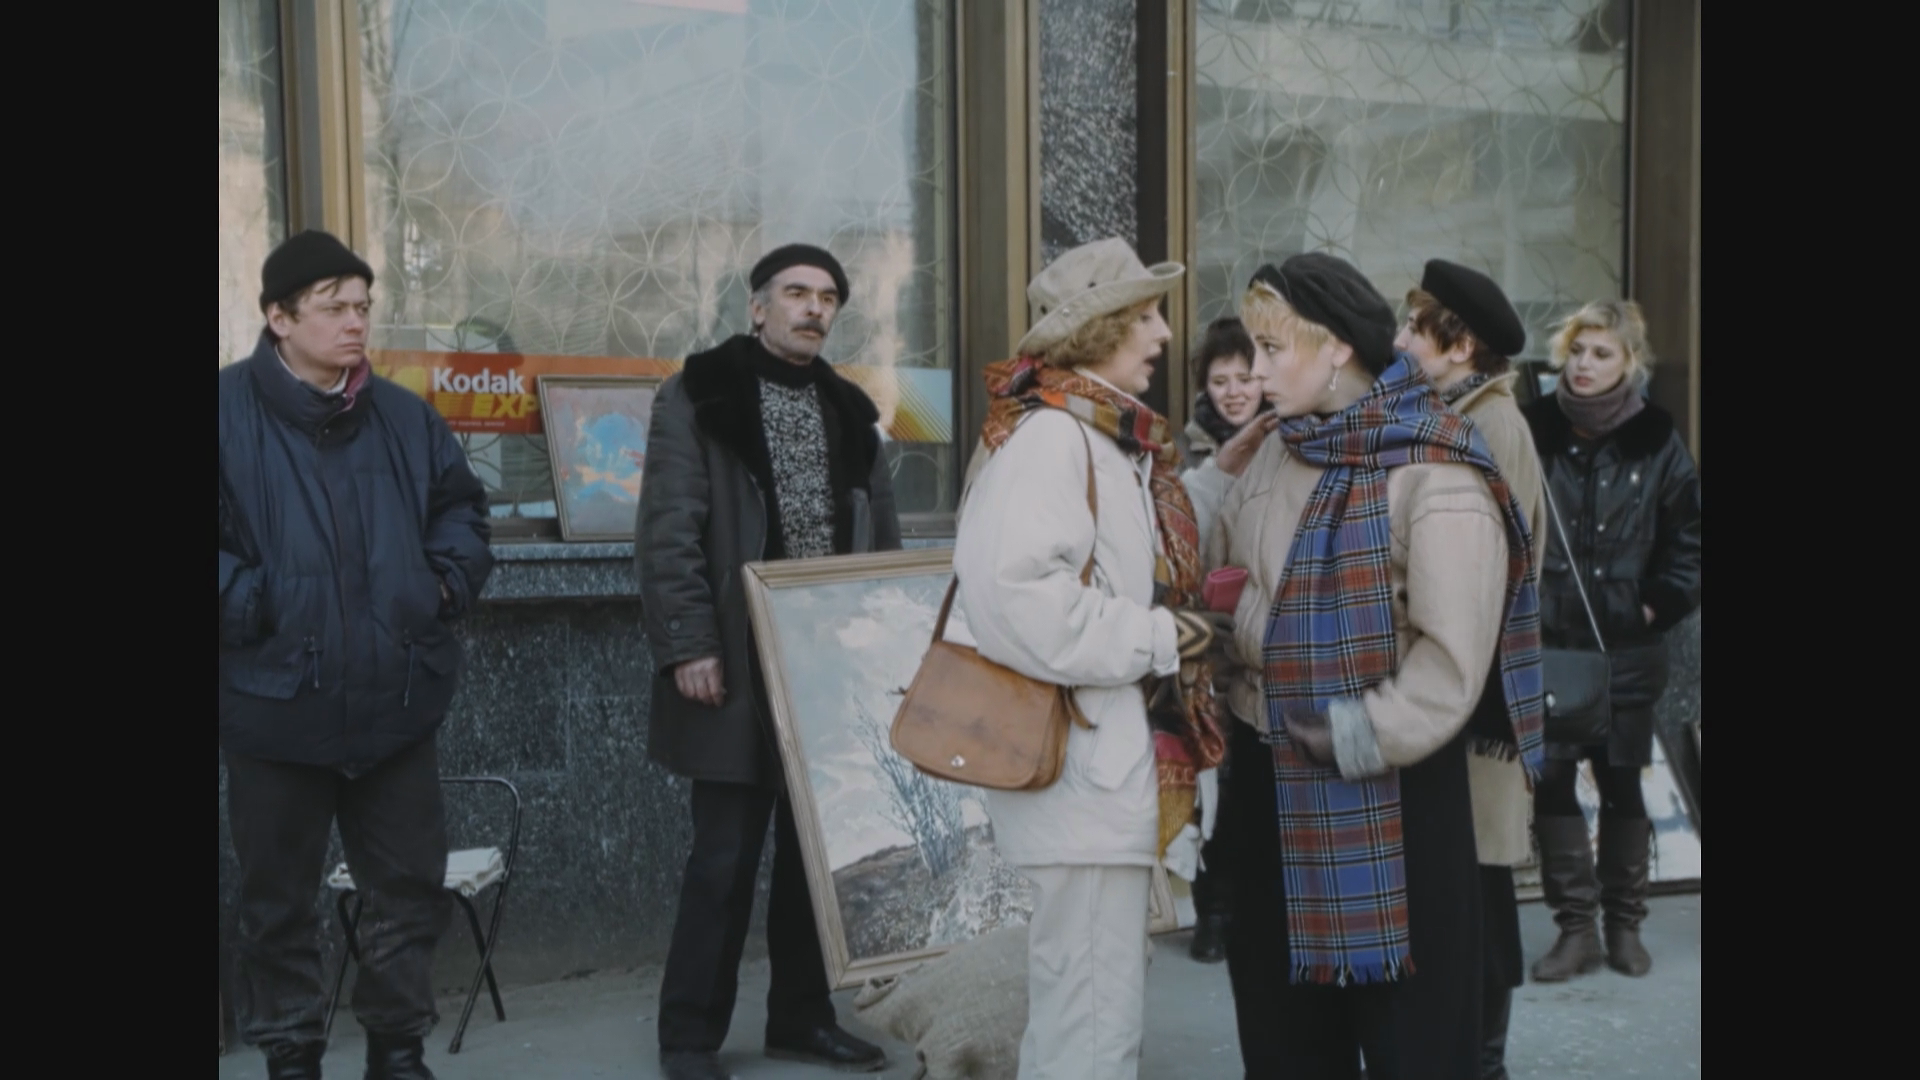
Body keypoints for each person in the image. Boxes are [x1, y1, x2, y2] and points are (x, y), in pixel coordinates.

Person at [1210, 253, 1544, 1080]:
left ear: (1335, 347)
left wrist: (1355, 734)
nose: (1254, 373)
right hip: (1269, 784)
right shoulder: (1277, 450)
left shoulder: (1437, 466)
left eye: (1271, 349)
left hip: (1395, 801)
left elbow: (1451, 665)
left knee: (1413, 1049)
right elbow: (1228, 585)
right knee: (1284, 1045)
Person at [219, 230, 494, 1080]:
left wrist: (439, 586)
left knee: (408, 893)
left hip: (394, 700)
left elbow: (462, 512)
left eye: (363, 307)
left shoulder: (406, 417)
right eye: (333, 307)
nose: (355, 322)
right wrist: (253, 602)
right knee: (277, 906)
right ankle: (292, 1056)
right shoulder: (222, 412)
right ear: (278, 317)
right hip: (274, 703)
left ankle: (397, 1053)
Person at [952, 237, 1223, 1080]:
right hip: (1082, 771)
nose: (1164, 334)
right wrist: (1162, 638)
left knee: (1084, 1011)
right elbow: (1019, 603)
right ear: (1097, 331)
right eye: (1146, 315)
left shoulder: (1100, 434)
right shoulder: (1055, 439)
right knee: (1092, 1023)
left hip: (1096, 769)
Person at [638, 244, 899, 1080]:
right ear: (757, 307)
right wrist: (690, 645)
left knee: (817, 859)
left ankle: (801, 1017)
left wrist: (881, 649)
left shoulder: (851, 410)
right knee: (723, 858)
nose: (813, 308)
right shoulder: (700, 394)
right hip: (736, 658)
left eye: (827, 297)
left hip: (828, 664)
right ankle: (688, 1037)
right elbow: (669, 530)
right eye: (795, 293)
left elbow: (883, 542)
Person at [1394, 260, 1543, 1080]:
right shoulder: (1454, 412)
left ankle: (1484, 1062)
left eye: (1415, 328)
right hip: (1462, 687)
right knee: (1464, 885)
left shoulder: (1492, 423)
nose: (1399, 340)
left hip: (1478, 694)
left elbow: (1491, 572)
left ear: (1460, 345)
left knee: (1480, 886)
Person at [1523, 300, 1700, 982]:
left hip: (1627, 645)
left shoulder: (1657, 440)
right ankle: (1576, 930)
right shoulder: (1534, 430)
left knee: (1622, 780)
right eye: (1577, 350)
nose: (1585, 364)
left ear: (1630, 362)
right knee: (1552, 781)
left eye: (1602, 353)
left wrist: (1652, 605)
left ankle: (1625, 925)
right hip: (1551, 642)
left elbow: (1690, 540)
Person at [1175, 316, 1276, 963]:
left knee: (1260, 779)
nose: (1235, 392)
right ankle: (1212, 914)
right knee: (1213, 777)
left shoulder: (1286, 440)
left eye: (1245, 378)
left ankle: (1256, 910)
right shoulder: (1183, 452)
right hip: (1205, 633)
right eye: (1220, 381)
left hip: (1266, 629)